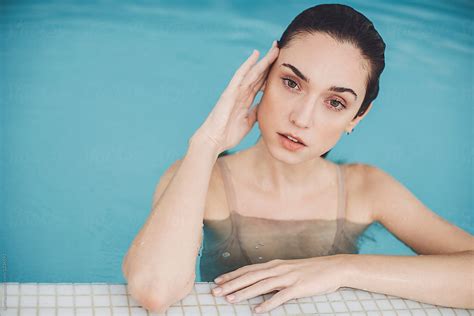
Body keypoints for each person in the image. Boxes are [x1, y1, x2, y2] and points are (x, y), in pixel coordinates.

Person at [121, 3, 474, 314]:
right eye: (291, 83)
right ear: (263, 80)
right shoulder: (201, 179)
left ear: (356, 118)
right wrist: (206, 144)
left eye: (335, 103)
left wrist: (342, 268)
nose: (302, 118)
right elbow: (154, 291)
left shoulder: (367, 190)